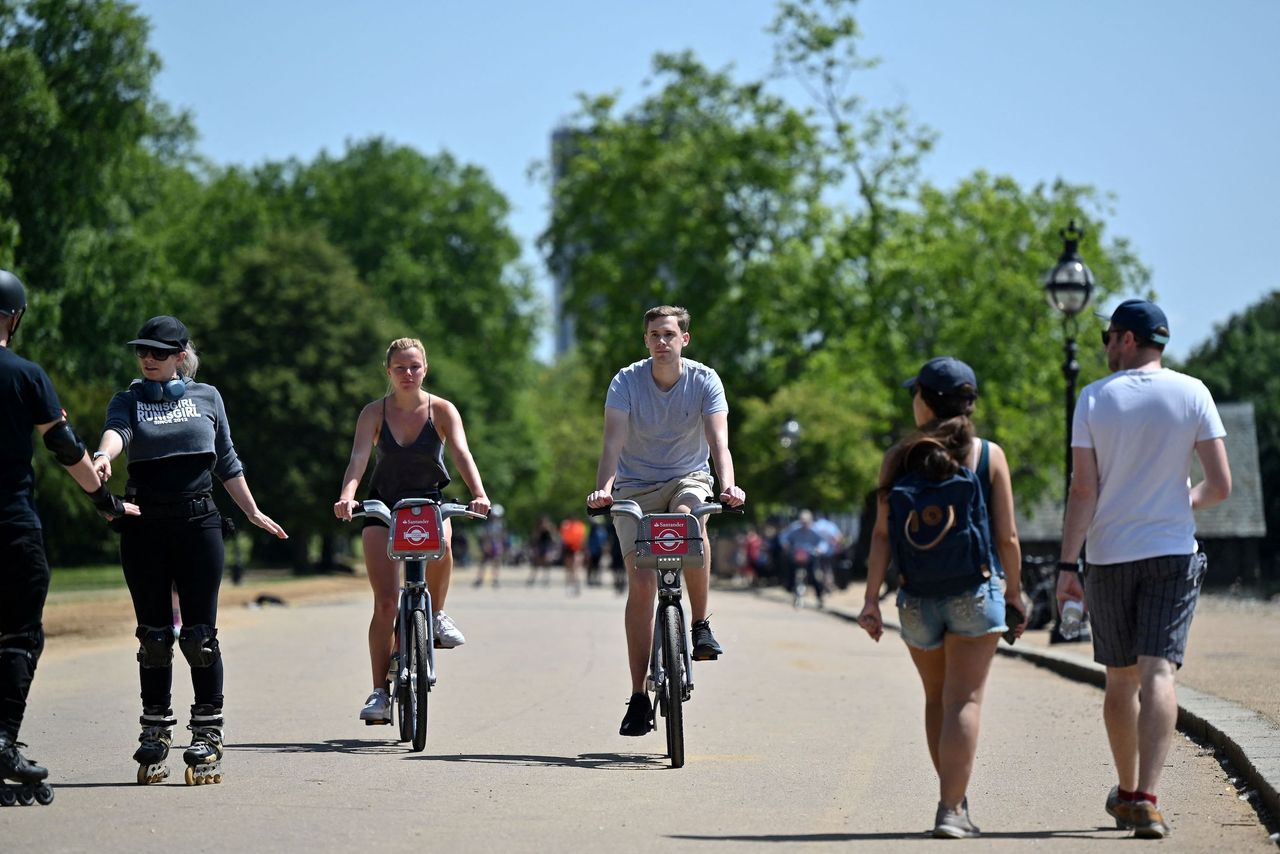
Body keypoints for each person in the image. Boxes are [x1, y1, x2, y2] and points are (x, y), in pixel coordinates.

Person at [1056, 300, 1231, 839]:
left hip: (1109, 557)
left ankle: (1127, 789)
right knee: (1159, 674)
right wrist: (1184, 500)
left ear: (1128, 339)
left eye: (1110, 336)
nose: (1106, 345)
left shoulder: (1093, 399)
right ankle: (1150, 799)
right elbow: (1220, 486)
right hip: (1172, 554)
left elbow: (1084, 490)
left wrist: (1067, 564)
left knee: (1120, 680)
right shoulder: (1193, 392)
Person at [92, 315, 286, 785]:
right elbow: (118, 433)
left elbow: (227, 460)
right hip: (144, 525)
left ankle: (207, 733)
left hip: (199, 522)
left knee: (199, 636)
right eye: (142, 351)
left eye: (158, 352)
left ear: (182, 357)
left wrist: (253, 512)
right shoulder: (129, 399)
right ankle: (155, 731)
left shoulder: (208, 397)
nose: (147, 359)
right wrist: (102, 456)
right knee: (154, 638)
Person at [857, 356, 1025, 838]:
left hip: (916, 598)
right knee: (964, 700)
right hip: (975, 589)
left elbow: (883, 537)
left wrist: (871, 600)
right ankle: (951, 808)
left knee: (937, 698)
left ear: (927, 402)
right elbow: (1008, 537)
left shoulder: (897, 458)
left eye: (916, 394)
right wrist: (1015, 594)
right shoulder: (989, 455)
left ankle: (954, 798)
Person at [0, 269, 136, 798]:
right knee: (18, 635)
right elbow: (64, 446)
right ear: (15, 317)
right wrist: (107, 502)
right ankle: (3, 739)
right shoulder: (25, 375)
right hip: (10, 525)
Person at [586, 305, 746, 737]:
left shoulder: (705, 380)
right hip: (634, 487)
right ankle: (638, 696)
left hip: (687, 479)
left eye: (669, 334)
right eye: (654, 334)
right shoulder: (626, 381)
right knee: (642, 585)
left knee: (689, 517)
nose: (662, 342)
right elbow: (613, 443)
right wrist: (604, 489)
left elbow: (718, 443)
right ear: (646, 340)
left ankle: (700, 625)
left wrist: (729, 485)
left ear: (684, 340)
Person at [333, 337, 490, 724]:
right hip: (383, 507)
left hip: (428, 502)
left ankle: (434, 614)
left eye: (414, 366)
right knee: (385, 603)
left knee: (446, 541)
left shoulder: (441, 410)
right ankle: (379, 693)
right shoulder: (373, 413)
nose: (408, 374)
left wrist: (479, 493)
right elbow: (358, 459)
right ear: (388, 371)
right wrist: (346, 496)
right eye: (400, 367)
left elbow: (461, 453)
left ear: (426, 369)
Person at [779, 510, 827, 608]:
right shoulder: (794, 528)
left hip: (810, 556)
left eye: (806, 522)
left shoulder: (816, 530)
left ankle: (819, 597)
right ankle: (791, 589)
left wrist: (820, 549)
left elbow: (823, 542)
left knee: (814, 576)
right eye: (802, 521)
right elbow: (783, 537)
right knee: (790, 573)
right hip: (796, 555)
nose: (804, 524)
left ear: (810, 521)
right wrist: (785, 545)